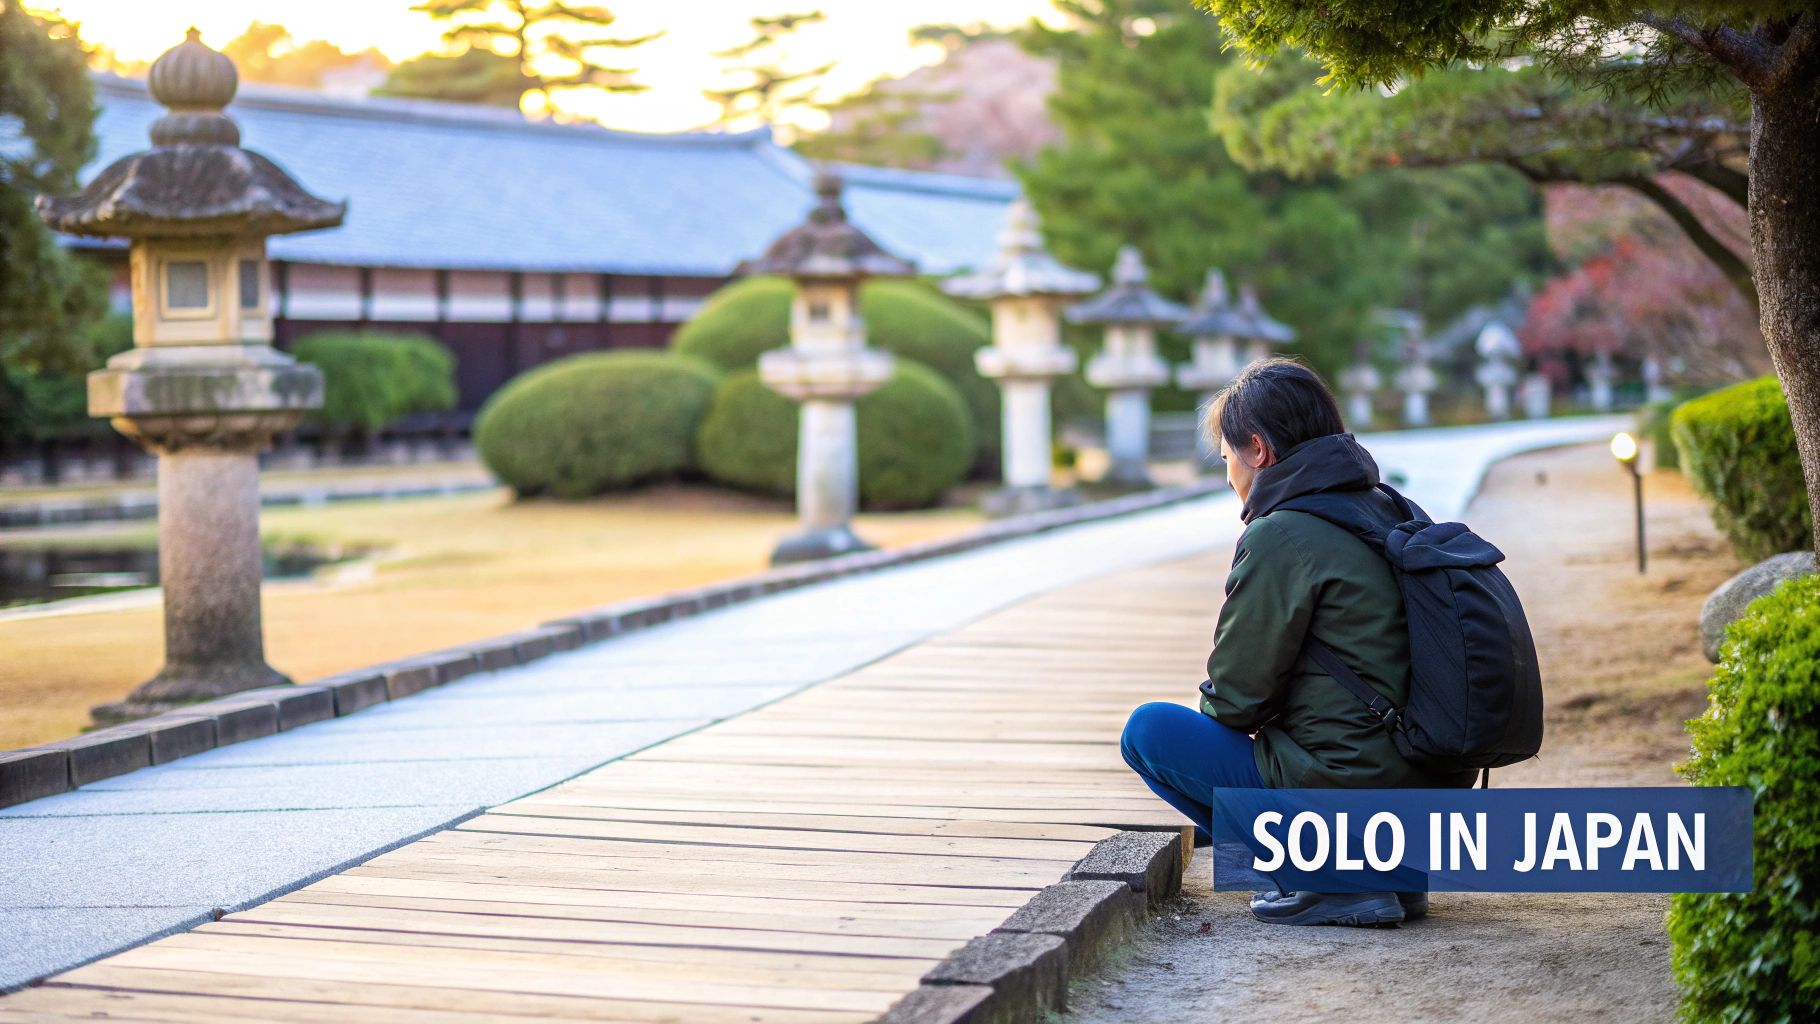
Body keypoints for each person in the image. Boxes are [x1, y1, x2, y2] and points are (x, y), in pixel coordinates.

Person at [1119, 357, 1476, 927]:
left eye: (1228, 456)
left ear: (1257, 450)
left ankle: (1333, 876)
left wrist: (1227, 708)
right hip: (1430, 798)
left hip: (1350, 794)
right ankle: (1389, 876)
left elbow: (1237, 701)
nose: (1230, 474)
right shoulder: (1387, 508)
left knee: (1149, 731)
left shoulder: (1281, 533)